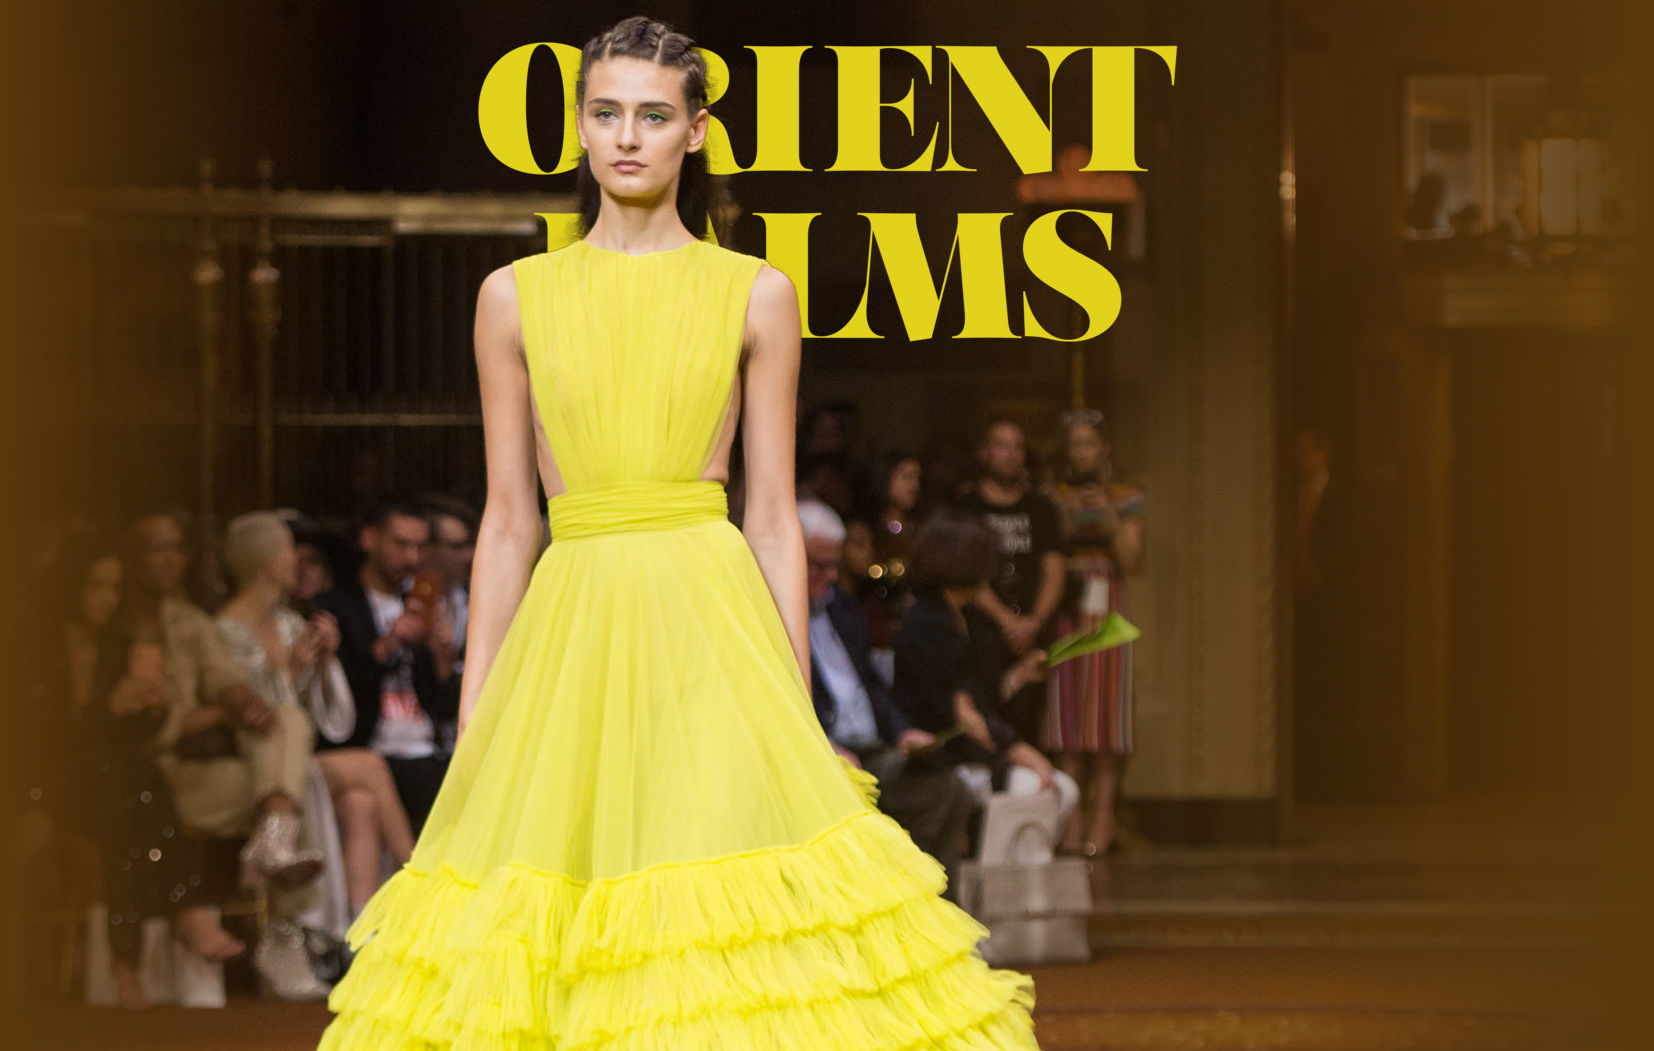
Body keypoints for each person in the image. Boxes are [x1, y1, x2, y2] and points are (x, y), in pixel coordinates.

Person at [316, 16, 1041, 1049]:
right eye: (607, 112)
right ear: (578, 127)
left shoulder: (755, 292)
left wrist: (792, 693)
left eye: (654, 115)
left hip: (709, 616)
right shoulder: (511, 298)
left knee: (725, 904)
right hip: (573, 623)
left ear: (694, 132)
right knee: (559, 907)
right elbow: (509, 517)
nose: (627, 137)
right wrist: (477, 707)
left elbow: (773, 512)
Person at [18, 532, 245, 1010]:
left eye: (115, 587)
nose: (108, 598)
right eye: (96, 585)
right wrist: (106, 709)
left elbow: (129, 736)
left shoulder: (118, 645)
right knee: (128, 780)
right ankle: (184, 913)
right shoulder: (32, 645)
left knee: (126, 797)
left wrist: (150, 710)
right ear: (71, 585)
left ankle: (129, 966)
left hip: (104, 789)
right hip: (41, 783)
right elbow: (33, 738)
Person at [120, 511, 323, 887]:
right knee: (298, 786)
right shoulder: (114, 628)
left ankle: (274, 847)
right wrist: (223, 712)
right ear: (131, 559)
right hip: (147, 777)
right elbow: (152, 726)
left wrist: (243, 701)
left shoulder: (187, 621)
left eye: (178, 549)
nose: (173, 560)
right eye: (159, 549)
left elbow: (225, 678)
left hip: (201, 767)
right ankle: (275, 903)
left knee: (287, 726)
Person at [798, 499, 979, 905]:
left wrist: (902, 732)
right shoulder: (771, 614)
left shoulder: (843, 608)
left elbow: (872, 685)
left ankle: (936, 913)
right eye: (819, 565)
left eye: (834, 564)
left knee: (947, 790)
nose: (831, 575)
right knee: (851, 789)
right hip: (819, 755)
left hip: (872, 749)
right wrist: (824, 746)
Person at [891, 511, 1081, 851]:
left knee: (1060, 791)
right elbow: (962, 715)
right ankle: (1002, 879)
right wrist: (1023, 753)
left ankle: (1010, 876)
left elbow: (978, 699)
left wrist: (1019, 675)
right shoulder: (928, 623)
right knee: (1046, 790)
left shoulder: (966, 619)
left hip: (972, 749)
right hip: (944, 755)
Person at [312, 500, 458, 835]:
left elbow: (445, 706)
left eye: (420, 546)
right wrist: (387, 645)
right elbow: (336, 699)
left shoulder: (423, 602)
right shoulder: (337, 605)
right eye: (401, 544)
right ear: (369, 538)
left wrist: (443, 656)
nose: (412, 557)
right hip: (372, 749)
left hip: (428, 748)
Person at [1037, 410, 1145, 856]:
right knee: (1065, 721)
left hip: (1108, 611)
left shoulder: (1127, 496)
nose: (1082, 453)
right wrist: (1066, 513)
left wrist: (1107, 513)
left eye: (1089, 444)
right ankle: (1070, 823)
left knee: (1105, 721)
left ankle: (1104, 820)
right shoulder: (1052, 495)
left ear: (1104, 449)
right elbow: (1049, 547)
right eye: (1075, 444)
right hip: (1066, 605)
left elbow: (1133, 561)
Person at [952, 417, 1067, 743]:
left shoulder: (1041, 508)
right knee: (985, 724)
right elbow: (965, 572)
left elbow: (1055, 569)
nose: (1012, 454)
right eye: (1002, 445)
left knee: (1033, 730)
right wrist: (1006, 620)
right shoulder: (966, 507)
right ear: (984, 452)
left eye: (1018, 447)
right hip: (981, 635)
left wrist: (1035, 621)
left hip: (1033, 637)